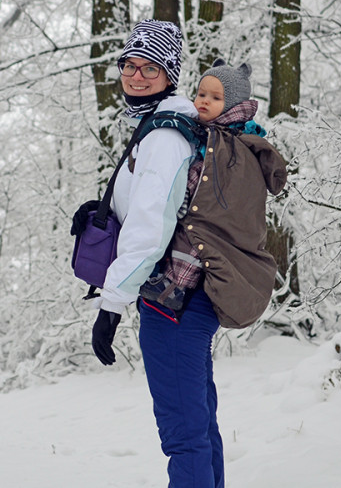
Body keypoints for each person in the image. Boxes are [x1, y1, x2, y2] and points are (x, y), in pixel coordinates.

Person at [92, 41, 287, 488]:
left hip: (174, 303)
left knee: (184, 435)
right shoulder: (221, 143)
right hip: (197, 302)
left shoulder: (172, 138)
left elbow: (152, 226)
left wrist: (112, 302)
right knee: (199, 427)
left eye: (151, 67)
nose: (137, 75)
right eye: (129, 65)